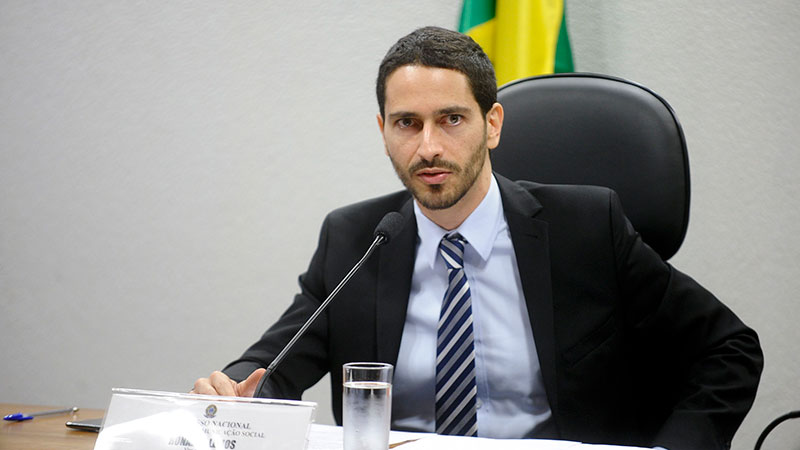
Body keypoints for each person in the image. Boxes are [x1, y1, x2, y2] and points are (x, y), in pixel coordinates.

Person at [192, 26, 762, 449]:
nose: (429, 147)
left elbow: (729, 350)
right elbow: (272, 368)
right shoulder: (357, 239)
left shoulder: (587, 228)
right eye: (407, 123)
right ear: (383, 131)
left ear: (492, 124)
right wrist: (234, 393)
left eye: (452, 119)